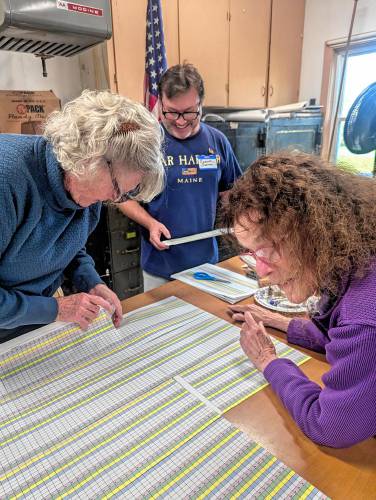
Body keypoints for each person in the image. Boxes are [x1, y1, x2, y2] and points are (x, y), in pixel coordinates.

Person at [223, 152, 376, 448]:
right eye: (253, 254)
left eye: (267, 249)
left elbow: (330, 428)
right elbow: (336, 333)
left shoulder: (365, 314)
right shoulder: (353, 259)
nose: (263, 271)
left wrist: (269, 361)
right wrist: (280, 322)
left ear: (313, 232)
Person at [0, 90, 164, 342]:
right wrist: (56, 309)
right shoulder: (7, 181)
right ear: (89, 158)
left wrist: (91, 282)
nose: (114, 199)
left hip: (29, 325)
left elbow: (67, 246)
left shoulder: (88, 189)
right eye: (118, 189)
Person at [119, 63, 242, 291]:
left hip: (206, 263)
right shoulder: (148, 143)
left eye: (189, 112)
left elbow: (230, 192)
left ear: (201, 105)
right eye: (172, 112)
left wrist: (237, 219)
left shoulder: (217, 142)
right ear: (161, 104)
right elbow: (123, 197)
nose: (181, 120)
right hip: (160, 265)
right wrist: (151, 223)